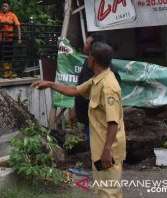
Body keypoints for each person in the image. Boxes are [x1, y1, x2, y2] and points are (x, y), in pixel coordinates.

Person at [32, 42, 126, 198]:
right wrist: (49, 84)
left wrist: (107, 151)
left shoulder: (109, 86)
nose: (87, 58)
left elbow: (113, 122)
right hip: (100, 147)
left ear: (93, 59)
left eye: (89, 55)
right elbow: (75, 90)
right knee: (104, 190)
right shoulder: (98, 79)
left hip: (108, 149)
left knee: (109, 191)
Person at [71, 33, 122, 145]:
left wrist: (107, 149)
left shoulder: (109, 80)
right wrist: (75, 107)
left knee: (102, 156)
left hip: (99, 126)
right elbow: (80, 89)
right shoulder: (89, 64)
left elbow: (113, 120)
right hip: (88, 121)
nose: (84, 45)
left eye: (86, 43)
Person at [0, 1, 22, 77]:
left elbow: (18, 25)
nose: (4, 7)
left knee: (9, 54)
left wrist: (19, 38)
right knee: (1, 55)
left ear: (9, 7)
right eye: (3, 6)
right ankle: (4, 72)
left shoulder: (12, 15)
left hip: (9, 39)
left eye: (6, 6)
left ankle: (9, 72)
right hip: (0, 38)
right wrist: (4, 23)